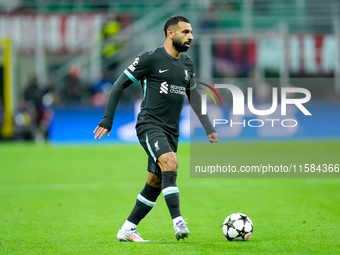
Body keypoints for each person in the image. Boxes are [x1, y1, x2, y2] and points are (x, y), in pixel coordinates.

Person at [94, 15, 218, 242]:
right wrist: (107, 120)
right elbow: (119, 84)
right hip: (150, 124)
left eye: (191, 32)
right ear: (170, 33)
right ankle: (178, 222)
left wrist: (208, 126)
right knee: (171, 163)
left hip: (172, 131)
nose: (191, 36)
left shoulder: (187, 64)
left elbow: (194, 96)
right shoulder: (150, 59)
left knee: (155, 181)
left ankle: (128, 229)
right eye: (185, 32)